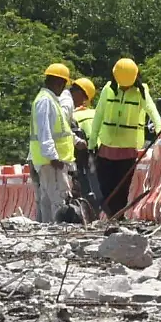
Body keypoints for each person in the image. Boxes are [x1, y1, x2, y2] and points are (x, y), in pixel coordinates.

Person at [87, 56, 161, 218]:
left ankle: (118, 216)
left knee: (122, 187)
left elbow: (152, 111)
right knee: (106, 186)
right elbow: (98, 116)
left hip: (128, 149)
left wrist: (159, 128)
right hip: (107, 146)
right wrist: (92, 141)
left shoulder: (141, 92)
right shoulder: (108, 89)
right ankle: (111, 214)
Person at [29, 63, 75, 224]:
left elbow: (62, 130)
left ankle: (49, 230)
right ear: (57, 82)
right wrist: (53, 156)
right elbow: (44, 131)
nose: (63, 88)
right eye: (63, 84)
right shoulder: (45, 101)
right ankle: (57, 231)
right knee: (58, 199)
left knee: (48, 200)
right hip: (52, 162)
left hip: (52, 161)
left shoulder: (49, 100)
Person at [69, 77, 100, 218]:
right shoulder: (95, 113)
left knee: (83, 188)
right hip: (96, 155)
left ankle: (86, 215)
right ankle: (95, 215)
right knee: (95, 189)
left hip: (79, 157)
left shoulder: (71, 114)